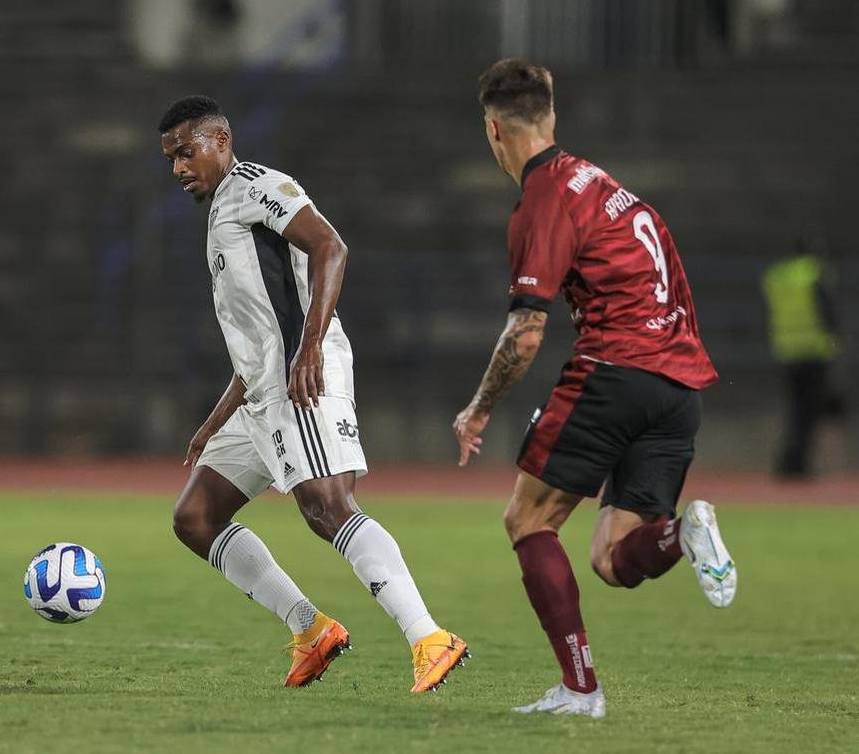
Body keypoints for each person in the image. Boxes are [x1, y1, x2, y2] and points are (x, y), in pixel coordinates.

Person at [452, 60, 736, 718]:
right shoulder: (609, 187)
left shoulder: (546, 199)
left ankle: (581, 691)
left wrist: (478, 407)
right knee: (614, 559)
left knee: (527, 520)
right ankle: (682, 536)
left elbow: (525, 335)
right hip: (679, 384)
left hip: (618, 370)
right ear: (550, 117)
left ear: (493, 130)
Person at [159, 95, 468, 692]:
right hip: (258, 394)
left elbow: (331, 246)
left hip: (302, 380)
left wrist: (311, 347)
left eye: (185, 151)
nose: (177, 167)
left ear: (221, 140)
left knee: (326, 508)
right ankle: (311, 629)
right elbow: (257, 338)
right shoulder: (221, 210)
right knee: (195, 517)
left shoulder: (257, 186)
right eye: (170, 157)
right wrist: (215, 419)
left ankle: (430, 637)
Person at [761, 240, 842, 479]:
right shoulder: (813, 274)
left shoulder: (777, 276)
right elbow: (828, 312)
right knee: (809, 413)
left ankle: (787, 462)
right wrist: (836, 340)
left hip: (785, 351)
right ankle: (798, 465)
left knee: (794, 410)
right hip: (814, 352)